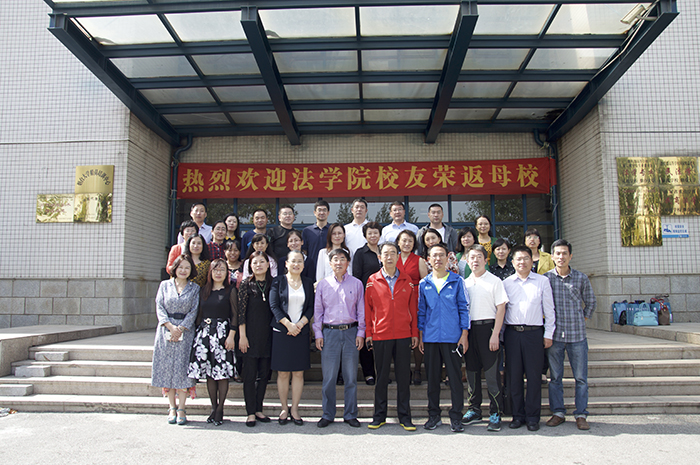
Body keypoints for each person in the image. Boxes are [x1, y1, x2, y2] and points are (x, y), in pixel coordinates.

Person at [365, 242, 418, 431]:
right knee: (381, 378)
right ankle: (379, 416)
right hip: (381, 335)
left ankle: (405, 417)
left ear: (398, 256)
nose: (389, 257)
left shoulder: (407, 280)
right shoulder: (372, 280)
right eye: (385, 254)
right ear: (380, 257)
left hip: (403, 335)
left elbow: (413, 309)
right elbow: (368, 310)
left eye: (393, 253)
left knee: (403, 378)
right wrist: (369, 333)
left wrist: (414, 332)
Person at [544, 239, 597, 431]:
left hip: (577, 336)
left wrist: (583, 318)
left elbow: (591, 302)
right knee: (555, 378)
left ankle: (581, 414)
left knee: (581, 378)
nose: (561, 257)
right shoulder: (546, 279)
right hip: (555, 336)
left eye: (564, 253)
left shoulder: (581, 278)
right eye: (557, 253)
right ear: (552, 256)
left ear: (570, 256)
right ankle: (558, 412)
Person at [418, 243, 470, 433]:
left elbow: (464, 308)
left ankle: (456, 416)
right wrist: (421, 336)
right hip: (431, 338)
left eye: (441, 255)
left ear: (448, 258)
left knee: (455, 379)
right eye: (434, 256)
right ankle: (434, 415)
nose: (438, 259)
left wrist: (464, 334)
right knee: (432, 379)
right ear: (429, 260)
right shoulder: (424, 283)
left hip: (452, 337)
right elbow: (421, 312)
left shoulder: (457, 281)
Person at [502, 246, 555, 431]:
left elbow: (549, 310)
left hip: (534, 334)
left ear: (532, 261)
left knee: (533, 377)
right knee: (514, 377)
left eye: (526, 258)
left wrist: (548, 334)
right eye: (518, 259)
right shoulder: (506, 283)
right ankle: (517, 416)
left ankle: (533, 417)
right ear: (512, 262)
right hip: (512, 334)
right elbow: (502, 311)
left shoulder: (542, 281)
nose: (522, 262)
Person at [314, 249, 365, 428]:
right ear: (330, 263)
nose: (339, 262)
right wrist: (318, 334)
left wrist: (361, 333)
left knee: (351, 377)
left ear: (348, 262)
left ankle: (350, 414)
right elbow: (318, 312)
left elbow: (361, 310)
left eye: (342, 259)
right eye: (335, 259)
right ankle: (328, 414)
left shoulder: (357, 284)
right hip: (330, 333)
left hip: (351, 332)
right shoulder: (323, 284)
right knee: (329, 377)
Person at [461, 245, 508, 432]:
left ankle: (496, 411)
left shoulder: (495, 281)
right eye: (472, 257)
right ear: (467, 261)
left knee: (491, 374)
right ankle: (474, 409)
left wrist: (496, 334)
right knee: (472, 372)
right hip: (470, 331)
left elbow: (501, 308)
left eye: (479, 257)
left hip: (488, 329)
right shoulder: (464, 283)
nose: (475, 260)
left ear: (486, 260)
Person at [187, 259, 237, 426]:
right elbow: (199, 314)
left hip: (223, 334)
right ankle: (213, 408)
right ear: (210, 272)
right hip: (205, 334)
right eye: (215, 269)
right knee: (209, 373)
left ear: (227, 272)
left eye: (222, 269)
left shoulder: (230, 290)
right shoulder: (204, 290)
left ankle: (220, 409)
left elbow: (235, 315)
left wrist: (232, 335)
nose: (218, 273)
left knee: (222, 373)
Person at [151, 254, 199, 426]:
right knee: (167, 370)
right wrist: (170, 327)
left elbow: (194, 311)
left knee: (182, 370)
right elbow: (159, 306)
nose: (183, 270)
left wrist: (181, 328)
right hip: (166, 330)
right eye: (180, 267)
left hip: (185, 332)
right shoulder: (164, 285)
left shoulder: (195, 288)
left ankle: (182, 408)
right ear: (175, 268)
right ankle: (171, 407)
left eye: (187, 267)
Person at [269, 251, 314, 426]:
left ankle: (295, 409)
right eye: (293, 261)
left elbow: (311, 307)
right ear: (286, 264)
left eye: (300, 261)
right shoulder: (278, 281)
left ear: (303, 264)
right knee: (282, 372)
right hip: (282, 331)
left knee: (298, 372)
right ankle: (283, 408)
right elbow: (274, 305)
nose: (296, 264)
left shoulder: (308, 283)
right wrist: (289, 325)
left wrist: (300, 325)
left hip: (300, 332)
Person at [238, 251, 274, 427]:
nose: (258, 265)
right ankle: (250, 412)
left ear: (268, 264)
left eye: (262, 262)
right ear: (250, 266)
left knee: (264, 375)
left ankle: (259, 409)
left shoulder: (274, 283)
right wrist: (242, 336)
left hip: (269, 336)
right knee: (250, 375)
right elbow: (241, 313)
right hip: (250, 336)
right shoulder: (246, 284)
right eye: (255, 263)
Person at [352, 221, 383, 385]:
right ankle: (369, 373)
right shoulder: (360, 253)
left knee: (381, 336)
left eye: (375, 232)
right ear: (365, 236)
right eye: (370, 233)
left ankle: (382, 372)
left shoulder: (385, 251)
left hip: (384, 301)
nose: (373, 235)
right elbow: (357, 278)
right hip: (366, 300)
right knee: (366, 334)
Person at [395, 229, 428, 385]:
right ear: (398, 242)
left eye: (410, 241)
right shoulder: (393, 258)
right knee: (402, 336)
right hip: (397, 301)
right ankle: (404, 369)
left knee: (416, 333)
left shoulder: (419, 260)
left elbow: (425, 283)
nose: (407, 244)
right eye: (404, 240)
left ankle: (417, 369)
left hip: (415, 299)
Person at [302, 200, 330, 280]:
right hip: (312, 269)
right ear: (314, 212)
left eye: (324, 210)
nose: (322, 212)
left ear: (328, 213)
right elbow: (304, 251)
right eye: (319, 210)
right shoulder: (307, 231)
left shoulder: (332, 230)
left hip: (329, 268)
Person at [269, 205, 297, 271]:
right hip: (276, 268)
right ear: (279, 218)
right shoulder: (272, 231)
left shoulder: (296, 233)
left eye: (290, 213)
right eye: (285, 214)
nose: (288, 216)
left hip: (294, 267)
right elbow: (269, 250)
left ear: (293, 217)